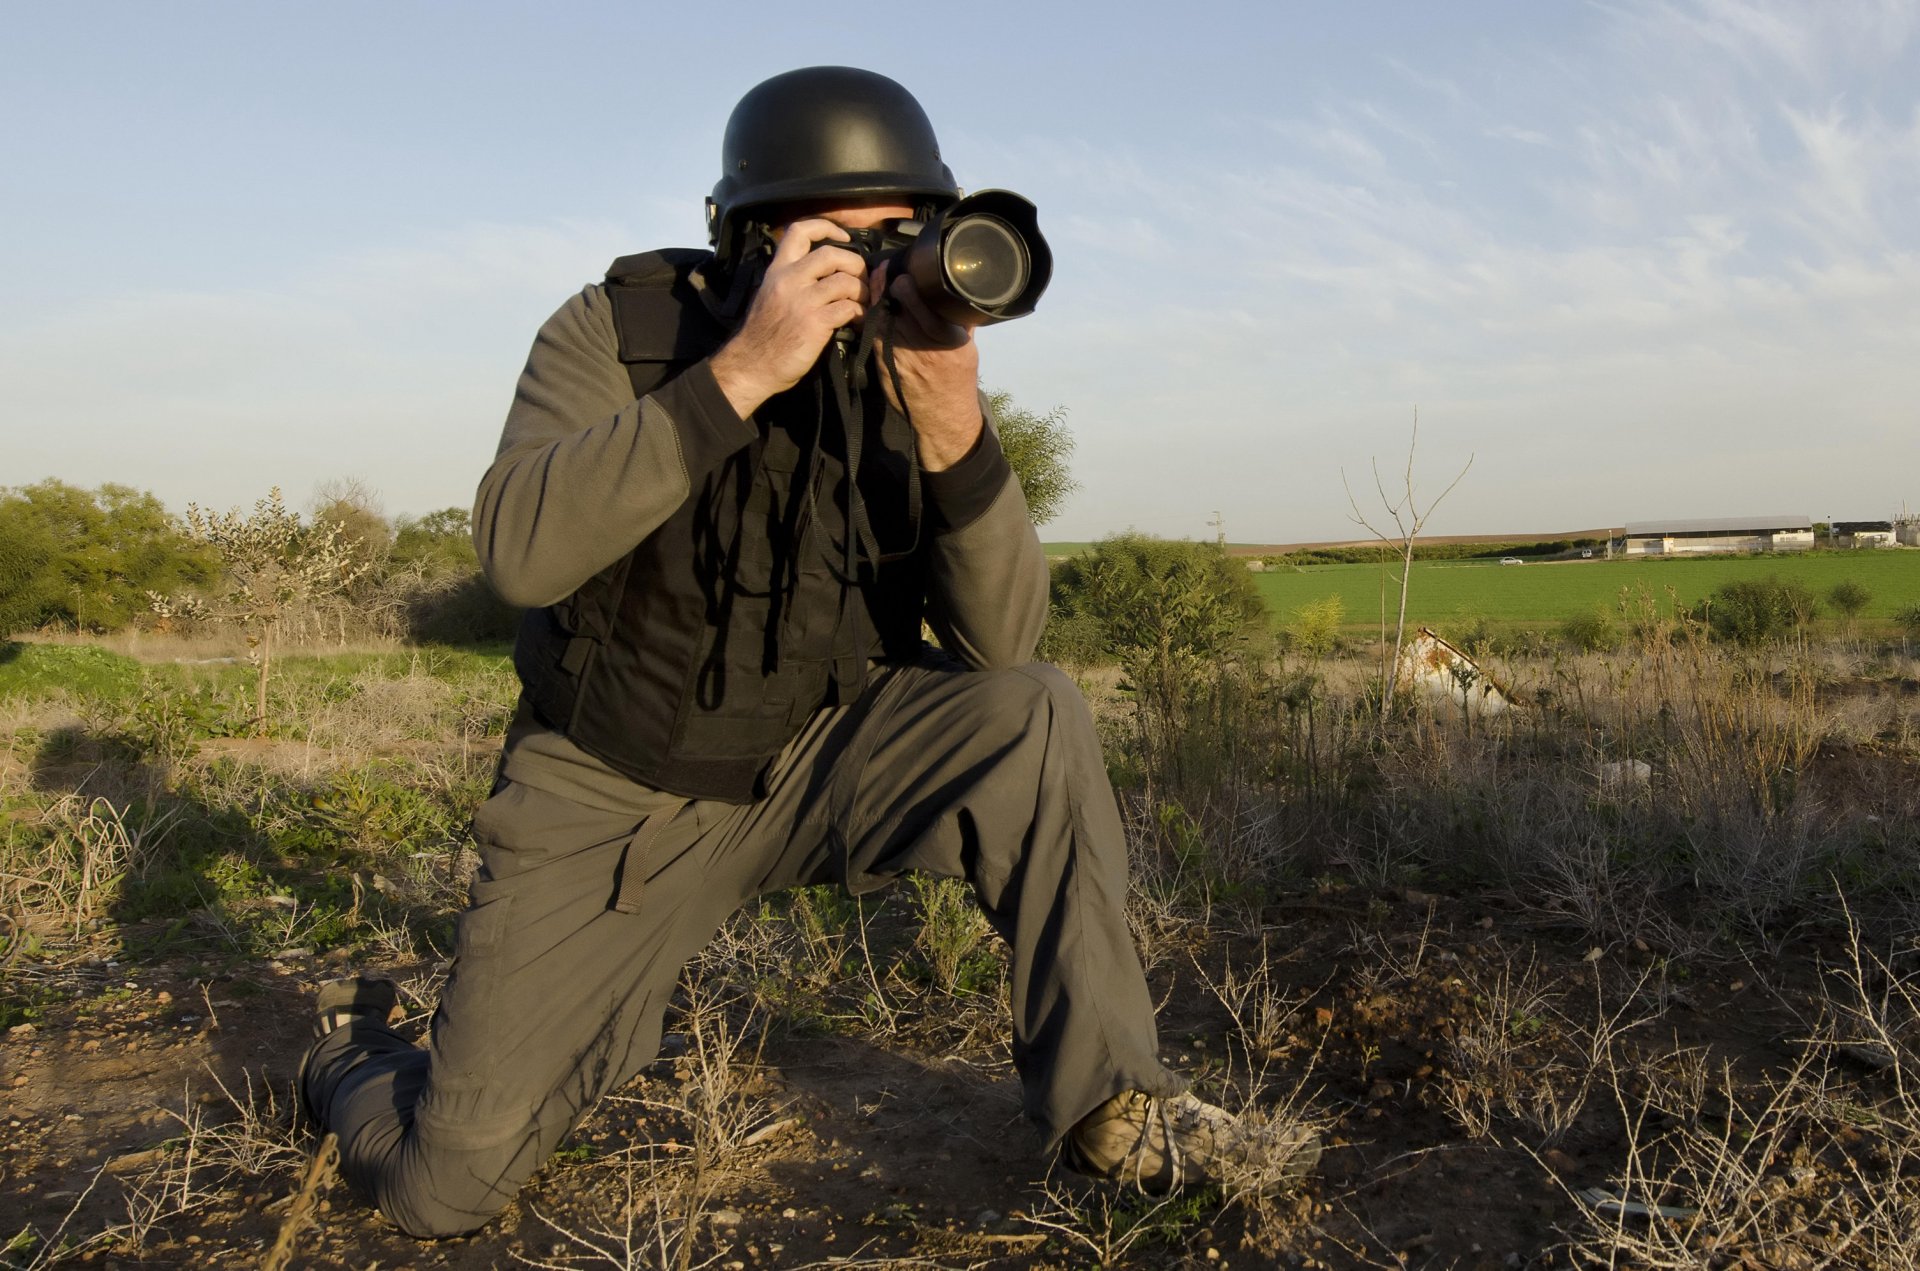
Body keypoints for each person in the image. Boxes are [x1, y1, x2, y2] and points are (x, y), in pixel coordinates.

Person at [297, 65, 1317, 1238]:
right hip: (613, 792)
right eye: (837, 239)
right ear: (749, 238)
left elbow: (1002, 642)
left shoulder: (907, 369)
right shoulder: (621, 330)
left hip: (821, 755)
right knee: (444, 1189)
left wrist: (951, 414)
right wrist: (744, 373)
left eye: (902, 235)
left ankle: (1110, 1104)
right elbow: (520, 557)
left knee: (1034, 709)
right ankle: (351, 1052)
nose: (875, 268)